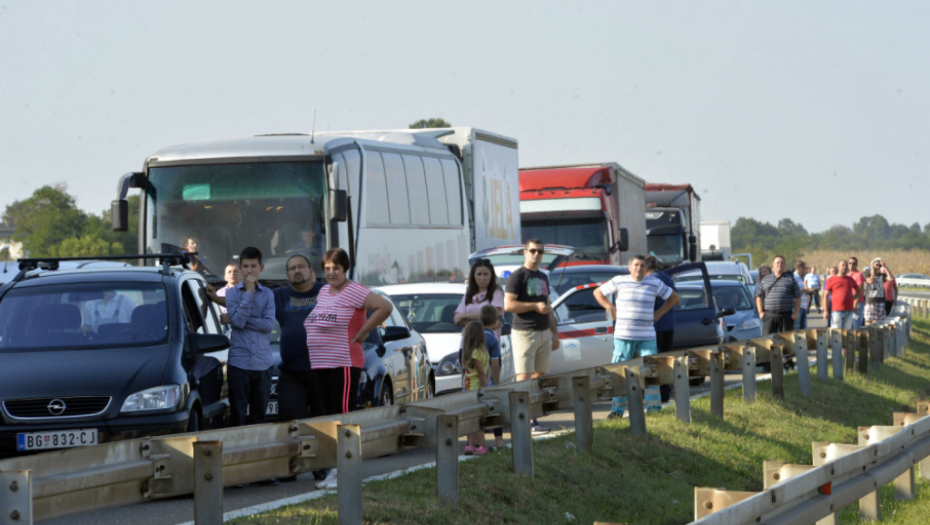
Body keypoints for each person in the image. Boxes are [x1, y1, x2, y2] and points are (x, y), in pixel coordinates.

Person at [304, 247, 393, 490]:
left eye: (336, 269)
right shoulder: (324, 291)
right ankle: (334, 468)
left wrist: (363, 332)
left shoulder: (354, 290)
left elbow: (384, 307)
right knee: (327, 418)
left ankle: (346, 470)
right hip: (320, 363)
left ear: (345, 270)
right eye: (328, 269)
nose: (331, 273)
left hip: (343, 363)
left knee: (342, 417)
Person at [594, 255, 680, 419]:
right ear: (629, 267)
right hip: (623, 336)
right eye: (636, 265)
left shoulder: (654, 283)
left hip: (647, 336)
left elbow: (675, 299)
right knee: (620, 372)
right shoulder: (619, 281)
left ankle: (654, 410)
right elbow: (597, 292)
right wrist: (609, 307)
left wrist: (660, 313)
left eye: (642, 265)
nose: (639, 268)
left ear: (646, 268)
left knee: (651, 372)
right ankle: (617, 411)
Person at [504, 239, 560, 435]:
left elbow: (547, 305)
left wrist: (554, 333)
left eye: (540, 251)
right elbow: (509, 305)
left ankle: (532, 416)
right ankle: (524, 420)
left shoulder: (543, 276)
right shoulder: (517, 276)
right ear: (525, 253)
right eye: (533, 251)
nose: (536, 254)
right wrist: (534, 306)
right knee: (523, 378)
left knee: (538, 376)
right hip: (524, 333)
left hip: (544, 332)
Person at [454, 258, 504, 387]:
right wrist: (480, 319)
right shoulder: (468, 294)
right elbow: (456, 319)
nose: (482, 278)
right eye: (479, 274)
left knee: (489, 384)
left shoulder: (496, 294)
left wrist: (466, 316)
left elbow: (493, 314)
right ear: (473, 276)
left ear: (491, 276)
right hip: (467, 345)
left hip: (488, 345)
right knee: (470, 384)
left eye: (485, 274)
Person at [644, 255, 676, 403]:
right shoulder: (666, 277)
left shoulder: (649, 280)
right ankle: (665, 392)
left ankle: (654, 393)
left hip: (654, 326)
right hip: (669, 324)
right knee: (666, 360)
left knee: (652, 361)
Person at [461, 320, 491, 456]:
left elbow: (480, 371)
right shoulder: (483, 351)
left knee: (475, 421)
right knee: (472, 420)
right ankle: (471, 446)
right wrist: (486, 382)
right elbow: (488, 369)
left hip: (473, 390)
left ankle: (482, 446)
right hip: (474, 389)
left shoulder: (474, 353)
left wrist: (483, 385)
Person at [754, 256, 801, 334]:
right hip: (769, 315)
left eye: (782, 263)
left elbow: (798, 297)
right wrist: (760, 312)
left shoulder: (790, 279)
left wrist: (795, 313)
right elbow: (758, 296)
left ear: (785, 265)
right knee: (768, 341)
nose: (780, 264)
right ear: (773, 265)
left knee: (787, 341)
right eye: (777, 263)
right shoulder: (765, 280)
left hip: (786, 315)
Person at [822, 259, 860, 329]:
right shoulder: (831, 280)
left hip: (849, 311)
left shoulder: (850, 279)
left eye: (846, 265)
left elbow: (859, 290)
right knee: (837, 334)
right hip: (836, 311)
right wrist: (826, 311)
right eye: (842, 265)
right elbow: (825, 296)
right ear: (838, 267)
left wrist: (855, 297)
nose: (844, 267)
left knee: (847, 333)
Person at [863, 258, 888, 325]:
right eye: (876, 264)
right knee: (869, 322)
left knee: (878, 323)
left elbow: (890, 278)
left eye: (879, 265)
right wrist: (872, 270)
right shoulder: (867, 274)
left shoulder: (882, 275)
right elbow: (870, 281)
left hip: (880, 301)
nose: (878, 266)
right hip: (870, 301)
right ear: (872, 265)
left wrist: (885, 267)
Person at [793, 261, 813, 330]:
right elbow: (794, 291)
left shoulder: (800, 278)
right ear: (801, 268)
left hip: (803, 306)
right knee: (797, 330)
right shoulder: (794, 277)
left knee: (803, 330)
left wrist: (808, 292)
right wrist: (806, 290)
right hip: (798, 307)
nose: (806, 269)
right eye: (805, 268)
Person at [847, 257, 865, 327]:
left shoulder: (858, 275)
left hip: (857, 302)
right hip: (849, 302)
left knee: (856, 324)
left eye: (853, 264)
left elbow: (859, 290)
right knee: (849, 325)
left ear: (856, 265)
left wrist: (855, 304)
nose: (851, 265)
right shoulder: (848, 274)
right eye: (850, 263)